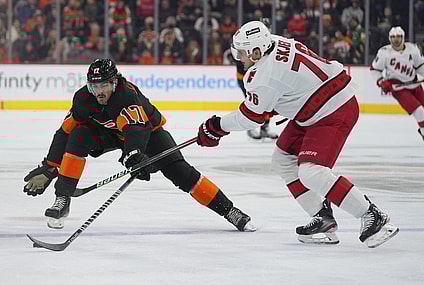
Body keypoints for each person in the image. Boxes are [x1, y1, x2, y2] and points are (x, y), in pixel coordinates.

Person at [196, 20, 399, 248]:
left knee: (311, 172)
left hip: (333, 109)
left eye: (242, 52)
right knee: (283, 160)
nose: (238, 57)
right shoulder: (275, 41)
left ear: (256, 51)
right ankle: (322, 217)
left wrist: (215, 127)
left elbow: (249, 118)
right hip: (313, 107)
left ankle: (372, 215)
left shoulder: (263, 75)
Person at [23, 58, 256, 233]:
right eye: (94, 86)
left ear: (115, 82)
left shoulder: (127, 96)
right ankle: (63, 198)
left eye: (104, 85)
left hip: (149, 132)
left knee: (181, 173)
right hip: (109, 134)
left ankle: (230, 211)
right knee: (79, 135)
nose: (99, 92)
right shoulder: (83, 98)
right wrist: (50, 166)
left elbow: (136, 130)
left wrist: (134, 157)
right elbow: (64, 132)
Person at [370, 26, 424, 144]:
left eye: (398, 37)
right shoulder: (384, 52)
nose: (396, 40)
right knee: (419, 111)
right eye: (393, 37)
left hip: (415, 86)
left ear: (403, 37)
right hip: (399, 89)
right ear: (390, 38)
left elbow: (420, 65)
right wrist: (382, 81)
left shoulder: (413, 49)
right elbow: (374, 70)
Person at [235, 18, 278, 141]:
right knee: (256, 104)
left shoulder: (268, 42)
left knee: (266, 104)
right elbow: (243, 61)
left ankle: (264, 128)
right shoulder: (244, 43)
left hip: (258, 78)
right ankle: (251, 126)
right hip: (246, 78)